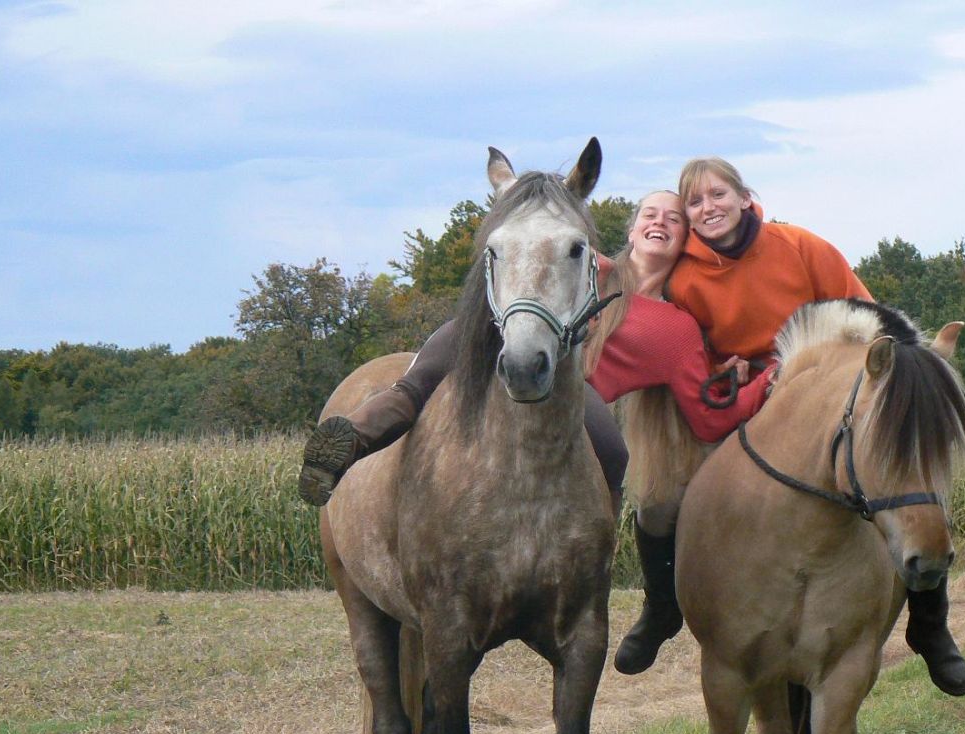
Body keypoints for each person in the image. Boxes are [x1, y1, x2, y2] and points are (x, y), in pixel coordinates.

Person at [612, 156, 965, 696]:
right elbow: (686, 350)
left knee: (910, 484)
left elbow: (874, 322)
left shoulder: (801, 247)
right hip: (744, 403)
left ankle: (930, 624)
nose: (708, 208)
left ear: (744, 197)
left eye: (718, 195)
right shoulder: (684, 277)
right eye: (695, 201)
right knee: (661, 500)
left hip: (824, 395)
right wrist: (722, 369)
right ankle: (662, 608)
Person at [297, 186, 768, 535]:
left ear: (686, 238)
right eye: (649, 213)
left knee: (613, 455)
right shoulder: (582, 260)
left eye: (673, 218)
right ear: (632, 229)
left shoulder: (675, 328)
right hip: (508, 342)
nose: (659, 221)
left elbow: (707, 414)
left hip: (571, 391)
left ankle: (598, 560)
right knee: (419, 381)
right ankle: (348, 443)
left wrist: (762, 379)